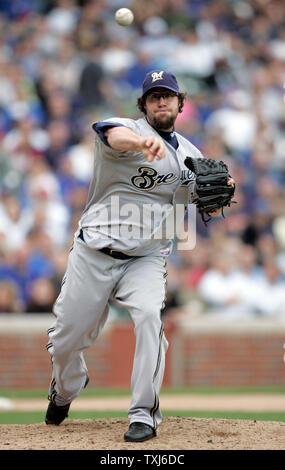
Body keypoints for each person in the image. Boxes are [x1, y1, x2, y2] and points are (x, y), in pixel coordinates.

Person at [45, 70, 231, 442]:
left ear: (181, 103)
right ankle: (67, 386)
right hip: (94, 252)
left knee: (149, 318)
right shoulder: (125, 129)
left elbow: (201, 201)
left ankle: (143, 413)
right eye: (154, 96)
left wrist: (218, 193)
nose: (161, 101)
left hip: (146, 257)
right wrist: (139, 144)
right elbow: (112, 135)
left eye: (168, 95)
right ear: (143, 105)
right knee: (66, 340)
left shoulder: (191, 155)